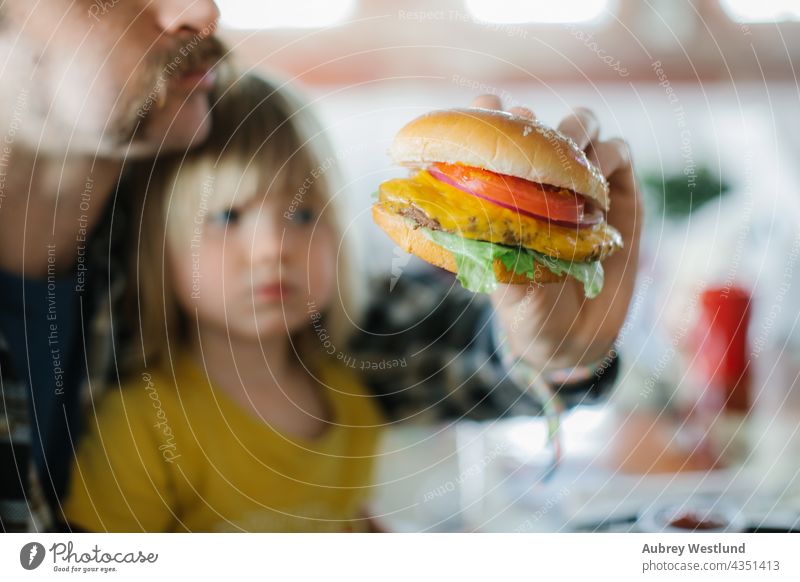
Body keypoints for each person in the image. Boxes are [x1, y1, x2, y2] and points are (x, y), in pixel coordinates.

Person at [0, 0, 641, 533]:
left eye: (303, 215)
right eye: (228, 218)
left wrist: (555, 346)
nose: (205, 9)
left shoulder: (203, 151)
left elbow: (450, 353)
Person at [63, 74, 384, 532]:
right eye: (227, 217)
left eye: (303, 214)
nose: (273, 247)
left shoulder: (351, 403)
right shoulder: (143, 427)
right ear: (159, 248)